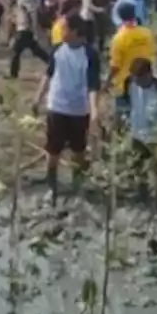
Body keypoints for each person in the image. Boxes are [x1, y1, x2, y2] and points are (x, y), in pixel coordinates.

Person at [34, 14, 101, 199]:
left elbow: (93, 85)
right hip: (56, 106)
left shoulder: (90, 54)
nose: (60, 31)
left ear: (74, 32)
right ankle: (52, 187)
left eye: (63, 28)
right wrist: (37, 98)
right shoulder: (57, 50)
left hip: (79, 109)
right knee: (53, 150)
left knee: (78, 150)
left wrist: (94, 111)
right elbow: (48, 75)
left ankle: (77, 185)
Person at [119, 58, 157, 180]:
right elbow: (125, 104)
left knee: (155, 173)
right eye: (134, 78)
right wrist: (122, 120)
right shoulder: (129, 82)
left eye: (139, 78)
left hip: (155, 138)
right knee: (135, 170)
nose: (136, 81)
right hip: (136, 134)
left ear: (148, 74)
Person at [108, 1, 157, 127]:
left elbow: (115, 65)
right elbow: (152, 54)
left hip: (125, 82)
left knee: (124, 115)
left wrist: (108, 81)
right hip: (146, 78)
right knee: (142, 113)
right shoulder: (147, 33)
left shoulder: (119, 38)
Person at [9, 0, 50, 77]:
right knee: (36, 50)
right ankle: (53, 63)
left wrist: (35, 30)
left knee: (16, 51)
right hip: (23, 28)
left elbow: (33, 14)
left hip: (25, 28)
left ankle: (13, 74)